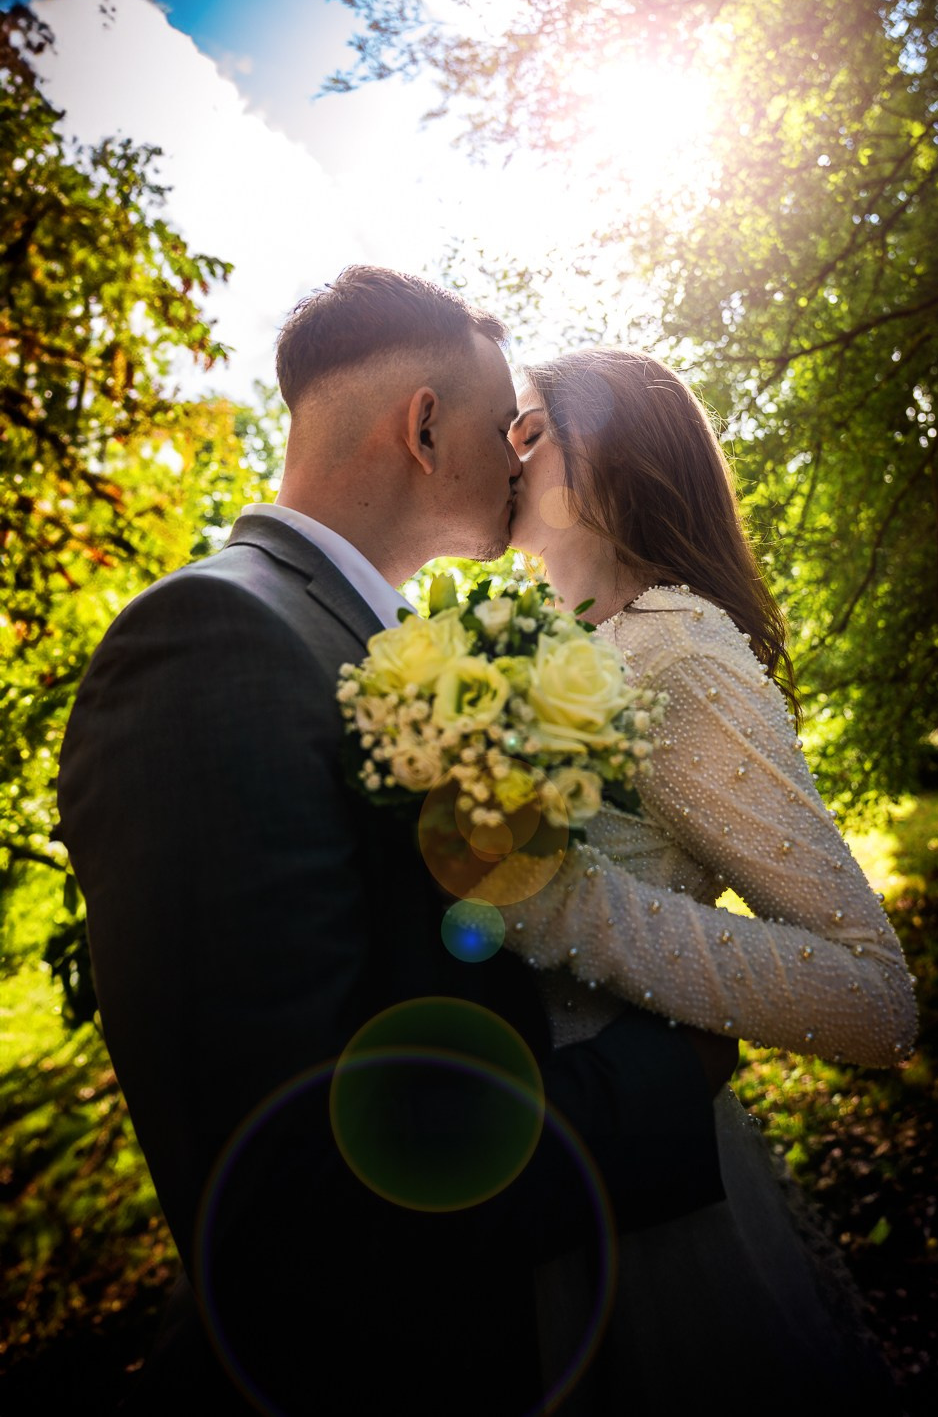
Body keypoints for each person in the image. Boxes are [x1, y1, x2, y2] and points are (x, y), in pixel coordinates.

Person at [55, 270, 740, 1417]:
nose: (523, 458)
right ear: (424, 429)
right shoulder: (209, 641)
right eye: (503, 426)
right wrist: (666, 1075)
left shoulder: (372, 643)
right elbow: (291, 1185)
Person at [480, 346, 918, 1412]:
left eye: (531, 426)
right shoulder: (517, 644)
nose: (506, 450)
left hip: (634, 1203)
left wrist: (570, 906)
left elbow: (874, 996)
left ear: (615, 457)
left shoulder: (679, 652)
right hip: (504, 1155)